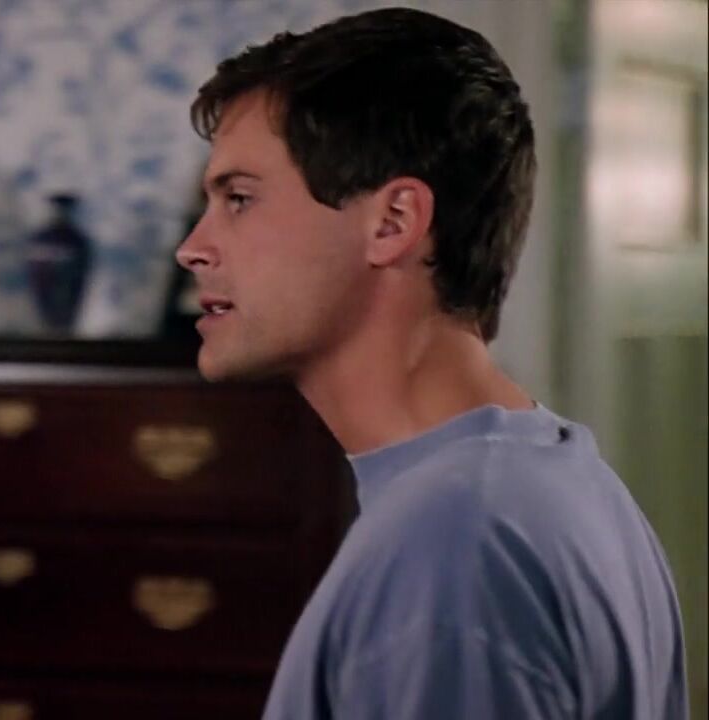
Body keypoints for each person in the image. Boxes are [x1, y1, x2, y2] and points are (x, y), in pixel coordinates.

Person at [175, 7, 687, 719]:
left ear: (393, 222)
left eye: (239, 199)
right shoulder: (565, 483)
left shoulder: (453, 546)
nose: (193, 248)